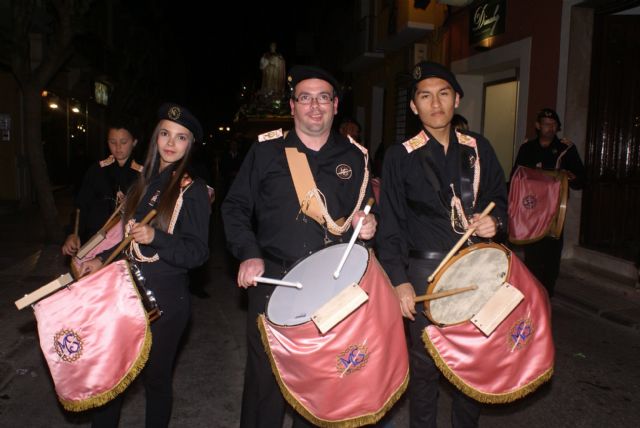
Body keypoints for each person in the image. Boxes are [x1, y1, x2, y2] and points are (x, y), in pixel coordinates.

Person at [221, 65, 377, 427]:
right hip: (275, 276)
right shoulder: (266, 151)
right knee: (266, 380)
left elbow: (366, 209)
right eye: (305, 98)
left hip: (333, 281)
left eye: (323, 97)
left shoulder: (355, 156)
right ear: (292, 106)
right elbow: (235, 207)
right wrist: (248, 253)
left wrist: (369, 224)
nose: (315, 106)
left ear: (336, 105)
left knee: (324, 379)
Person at [377, 61, 508, 428]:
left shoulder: (477, 147)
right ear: (414, 107)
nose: (436, 104)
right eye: (425, 96)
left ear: (457, 100)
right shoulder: (400, 155)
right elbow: (391, 224)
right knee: (425, 367)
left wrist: (495, 222)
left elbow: (501, 194)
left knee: (472, 362)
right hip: (424, 274)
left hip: (476, 269)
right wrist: (399, 280)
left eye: (444, 94)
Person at [81, 103, 211, 428]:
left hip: (165, 303)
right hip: (126, 295)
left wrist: (156, 237)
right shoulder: (144, 180)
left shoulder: (192, 190)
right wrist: (101, 260)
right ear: (155, 138)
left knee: (156, 381)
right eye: (165, 133)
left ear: (190, 144)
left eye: (181, 137)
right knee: (111, 378)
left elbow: (197, 254)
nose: (171, 142)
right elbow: (126, 242)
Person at [510, 108, 585, 297]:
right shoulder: (527, 148)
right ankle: (533, 295)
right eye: (545, 124)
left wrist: (570, 177)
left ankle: (546, 294)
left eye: (553, 125)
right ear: (538, 126)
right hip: (531, 211)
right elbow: (516, 177)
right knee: (533, 254)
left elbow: (581, 180)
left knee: (552, 255)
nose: (550, 128)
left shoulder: (565, 149)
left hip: (554, 212)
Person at [62, 122, 142, 256]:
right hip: (95, 242)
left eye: (123, 142)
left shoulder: (143, 175)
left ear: (134, 142)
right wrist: (73, 233)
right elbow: (81, 206)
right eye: (112, 142)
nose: (118, 147)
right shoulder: (97, 171)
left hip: (127, 245)